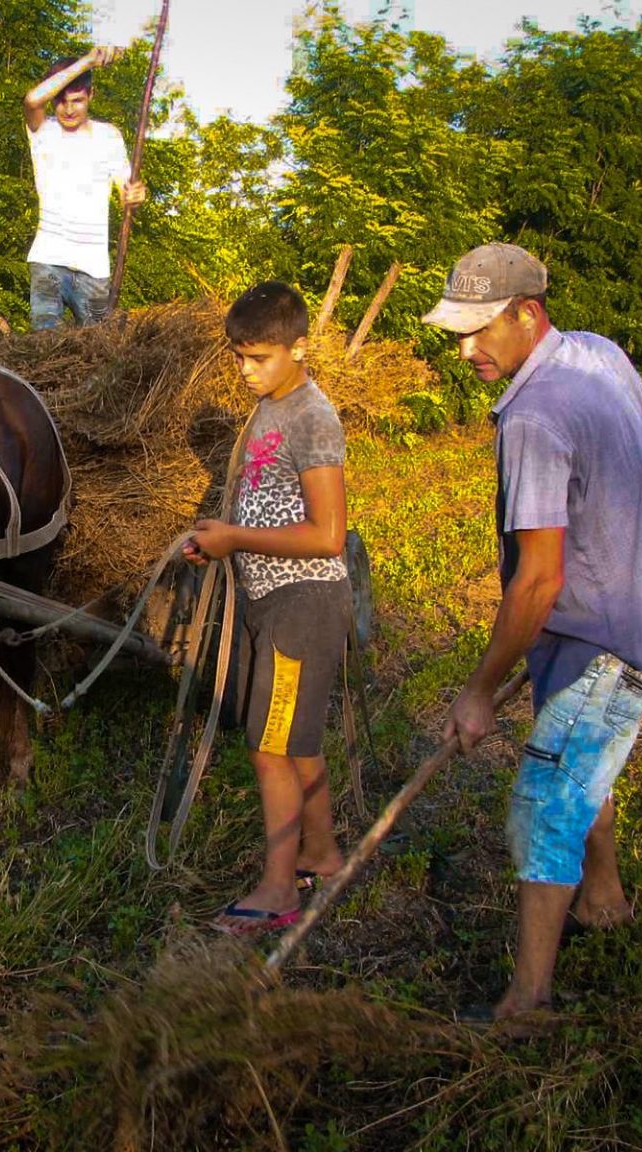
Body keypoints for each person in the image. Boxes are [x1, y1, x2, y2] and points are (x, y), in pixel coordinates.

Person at [422, 242, 642, 1023]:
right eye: (457, 334)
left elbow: (538, 581)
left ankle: (528, 1000)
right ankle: (602, 896)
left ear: (527, 313)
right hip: (636, 605)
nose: (465, 352)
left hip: (609, 633)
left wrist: (479, 690)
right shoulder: (596, 353)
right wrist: (627, 525)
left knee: (546, 798)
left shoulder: (533, 415)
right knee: (582, 758)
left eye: (478, 331)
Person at [185, 281, 353, 936]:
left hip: (301, 601)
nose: (246, 370)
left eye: (259, 357)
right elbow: (263, 502)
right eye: (239, 357)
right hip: (269, 597)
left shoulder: (312, 416)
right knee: (296, 740)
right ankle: (322, 853)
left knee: (269, 745)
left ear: (299, 348)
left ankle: (279, 889)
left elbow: (328, 534)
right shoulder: (270, 408)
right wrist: (219, 536)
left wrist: (235, 539)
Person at [22, 49, 147, 330]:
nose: (69, 110)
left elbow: (127, 191)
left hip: (94, 268)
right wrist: (87, 62)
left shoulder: (109, 136)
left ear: (91, 96)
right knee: (45, 343)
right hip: (48, 260)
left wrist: (136, 196)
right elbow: (32, 100)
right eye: (61, 101)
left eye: (77, 100)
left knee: (98, 344)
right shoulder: (43, 131)